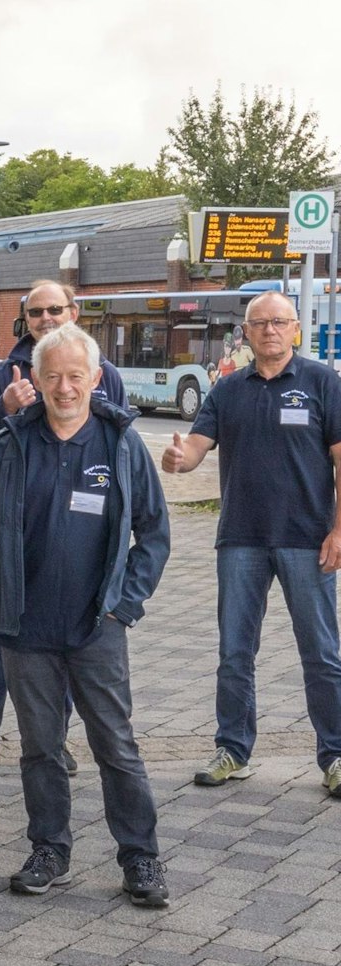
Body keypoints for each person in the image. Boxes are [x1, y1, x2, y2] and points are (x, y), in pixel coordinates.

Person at [0, 324, 171, 907]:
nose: (65, 387)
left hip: (97, 626)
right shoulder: (14, 443)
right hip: (24, 627)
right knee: (40, 748)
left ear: (96, 379)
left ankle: (141, 858)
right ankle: (50, 849)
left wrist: (126, 604)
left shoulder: (122, 445)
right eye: (54, 377)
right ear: (37, 381)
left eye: (76, 376)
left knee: (115, 746)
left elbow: (154, 534)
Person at [0, 280, 125, 772]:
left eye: (55, 309)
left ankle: (52, 740)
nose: (46, 318)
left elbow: (118, 437)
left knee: (63, 646)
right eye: (36, 312)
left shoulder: (102, 367)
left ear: (74, 312)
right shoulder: (9, 370)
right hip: (20, 540)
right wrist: (9, 408)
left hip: (82, 539)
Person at [164, 291, 341, 797]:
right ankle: (233, 750)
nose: (270, 330)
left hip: (308, 541)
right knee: (235, 652)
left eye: (279, 322)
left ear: (295, 330)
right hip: (241, 538)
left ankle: (335, 755)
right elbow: (195, 450)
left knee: (322, 654)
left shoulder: (322, 383)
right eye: (259, 323)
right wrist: (178, 460)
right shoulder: (228, 389)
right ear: (245, 332)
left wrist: (339, 531)